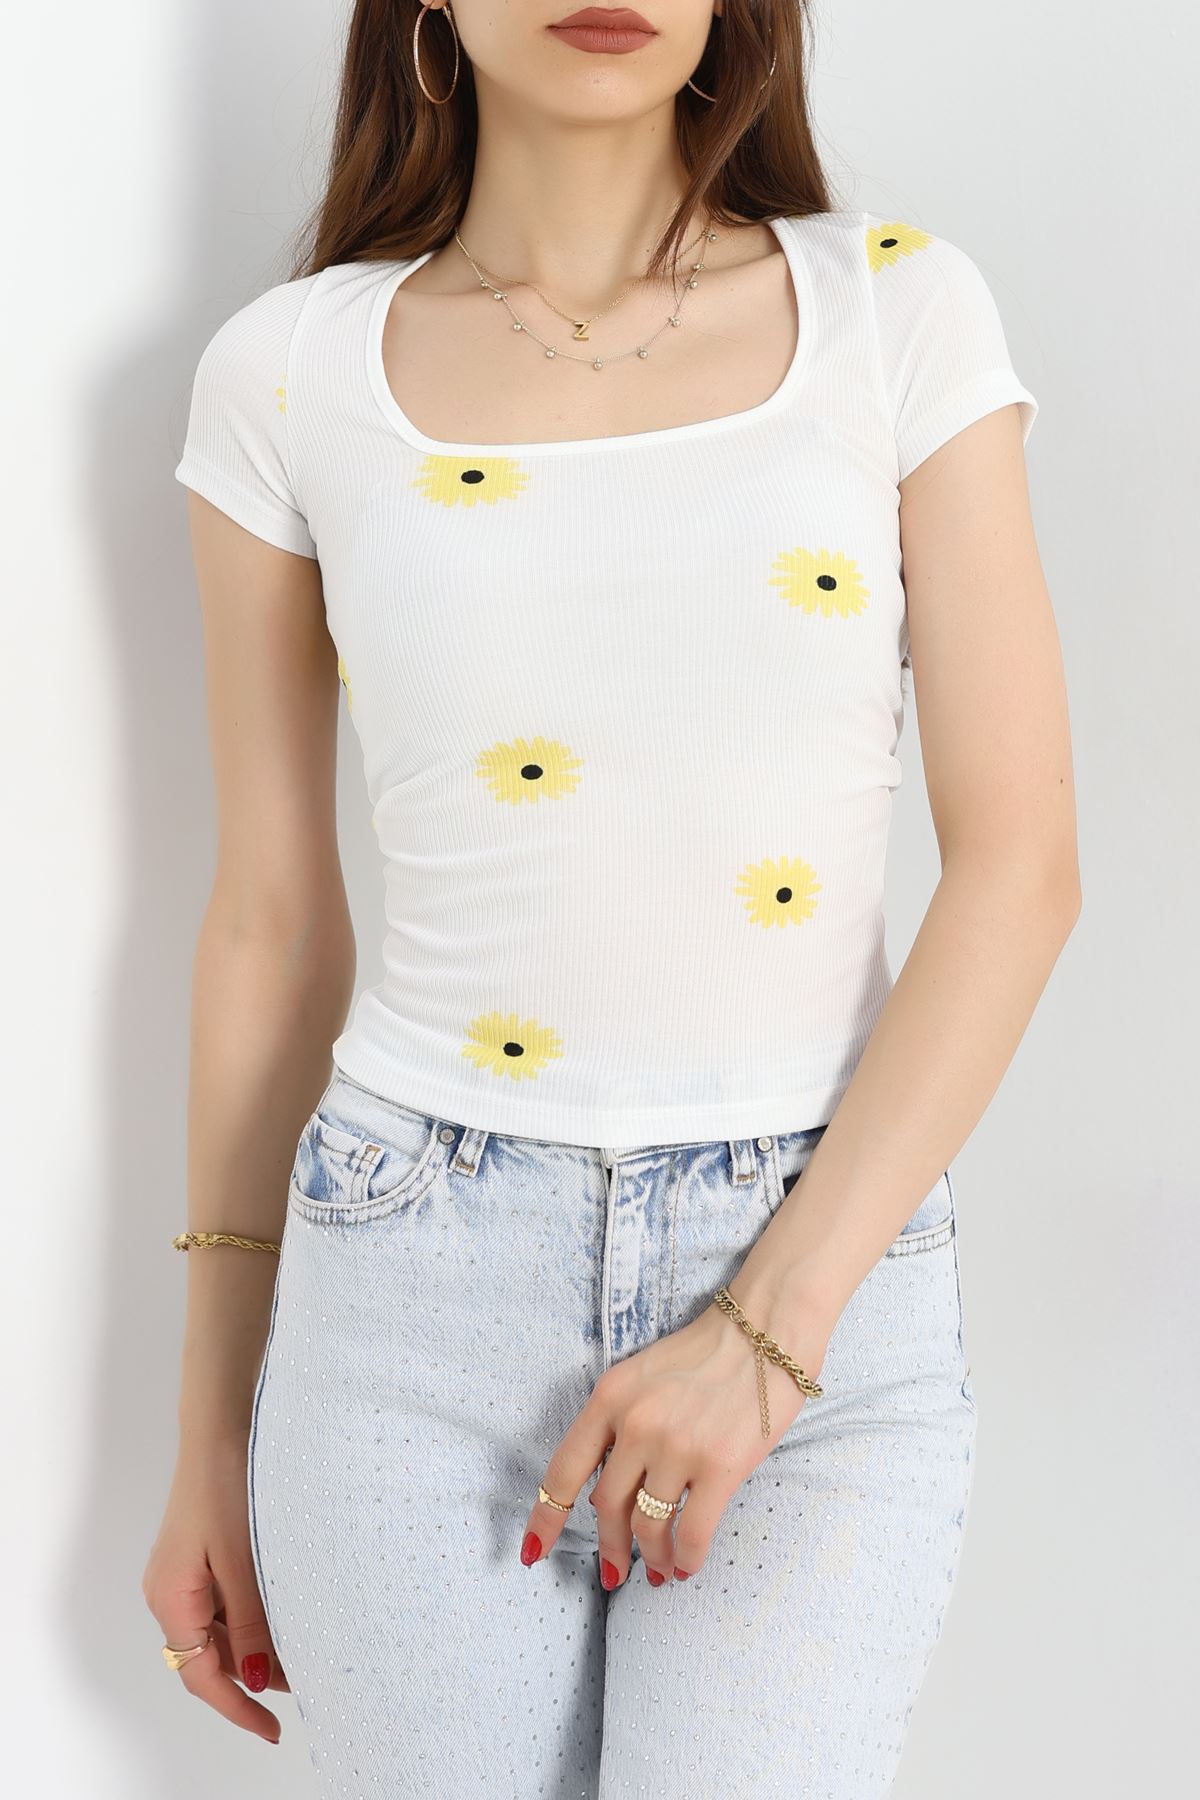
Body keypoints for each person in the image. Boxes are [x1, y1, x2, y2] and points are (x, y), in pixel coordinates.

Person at [142, 2, 1079, 1794]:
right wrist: (208, 1433)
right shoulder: (289, 370)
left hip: (815, 1270)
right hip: (407, 1291)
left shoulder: (896, 312)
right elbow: (270, 919)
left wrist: (766, 1332)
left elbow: (1024, 868)